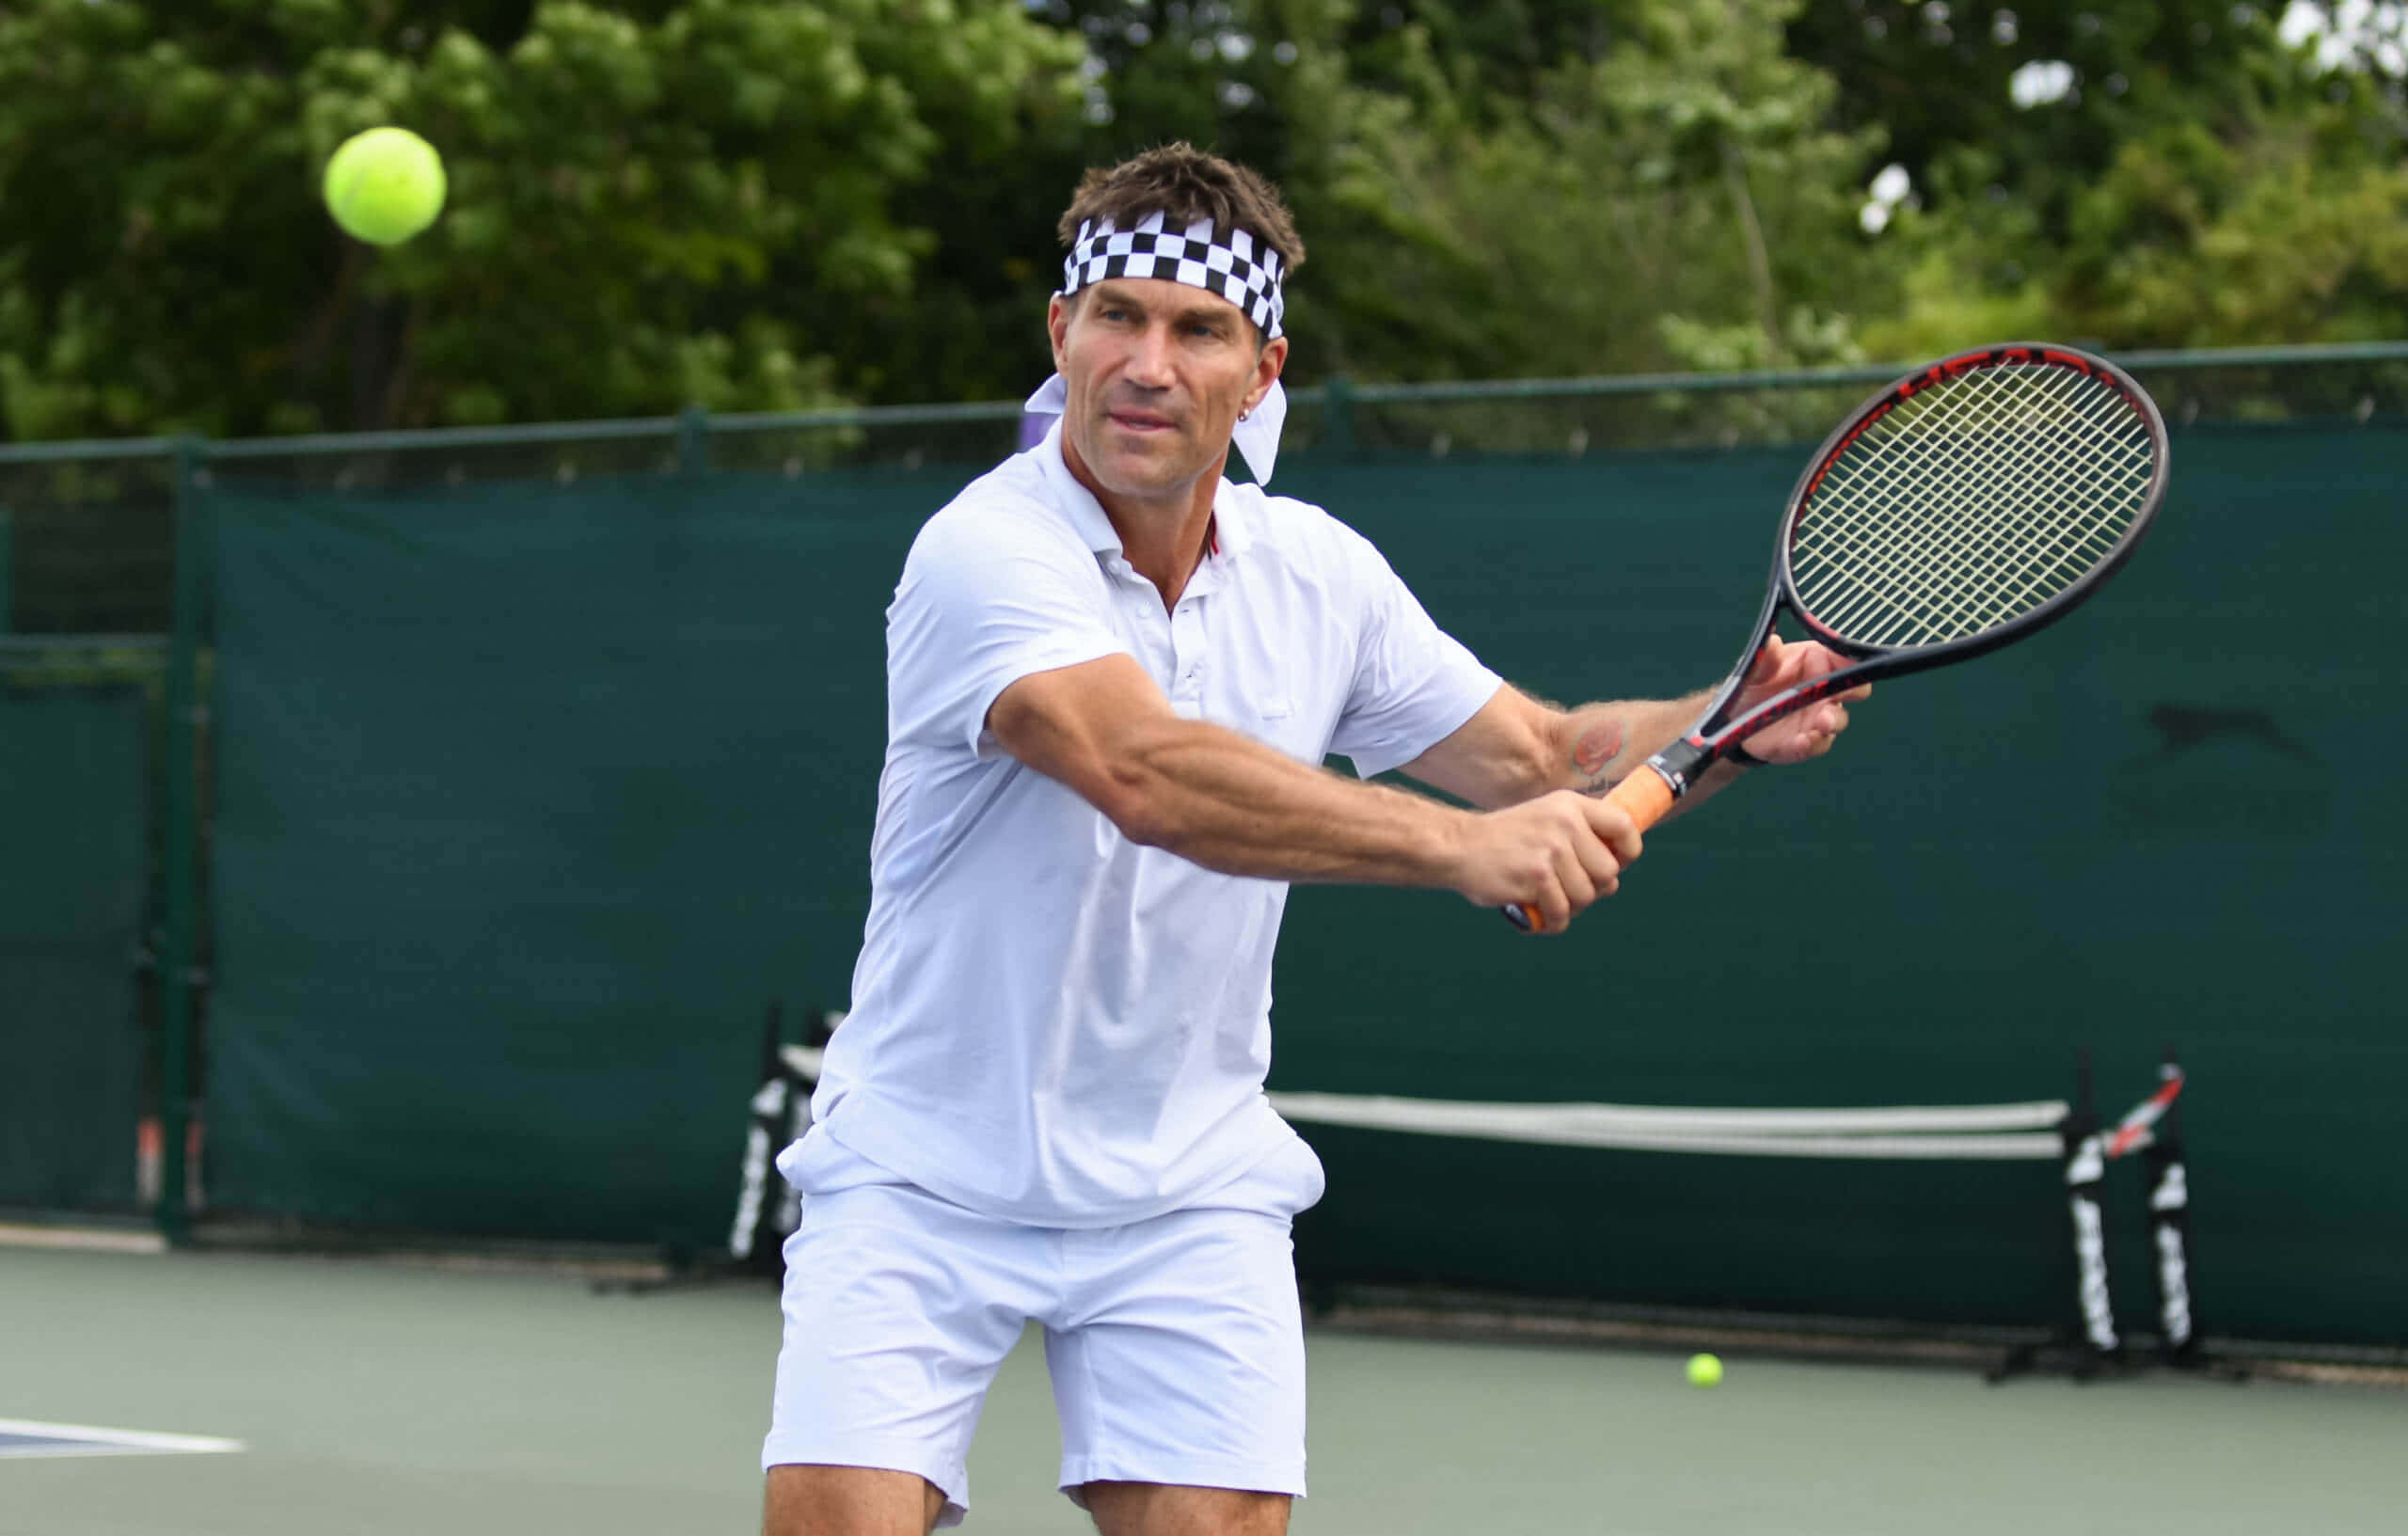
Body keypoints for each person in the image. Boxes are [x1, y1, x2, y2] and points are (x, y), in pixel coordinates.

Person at [762, 143, 1868, 1536]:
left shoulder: (1319, 574)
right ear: (1061, 333)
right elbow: (1146, 771)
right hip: (923, 1169)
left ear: (1261, 371)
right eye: (1117, 317)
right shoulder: (985, 550)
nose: (1148, 364)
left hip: (1186, 1184)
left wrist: (1731, 714)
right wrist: (1459, 850)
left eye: (1197, 330)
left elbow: (1543, 757)